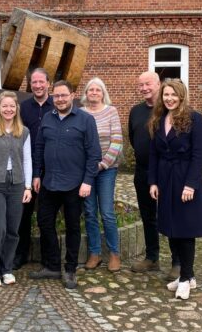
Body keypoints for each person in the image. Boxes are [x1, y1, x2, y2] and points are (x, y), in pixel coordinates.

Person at [30, 80, 101, 290]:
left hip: (74, 184)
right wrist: (36, 174)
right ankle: (52, 265)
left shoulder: (86, 120)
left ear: (72, 95)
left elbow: (94, 154)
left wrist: (87, 181)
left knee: (72, 227)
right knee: (44, 222)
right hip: (49, 182)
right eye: (56, 96)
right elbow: (39, 148)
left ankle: (70, 269)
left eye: (64, 95)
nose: (60, 99)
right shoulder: (47, 119)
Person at [148, 79, 202, 300]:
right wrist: (153, 181)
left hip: (185, 180)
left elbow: (199, 155)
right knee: (171, 228)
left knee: (185, 230)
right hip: (165, 180)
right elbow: (154, 154)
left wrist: (191, 184)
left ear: (182, 96)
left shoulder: (195, 119)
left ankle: (184, 278)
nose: (169, 99)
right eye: (166, 95)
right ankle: (189, 276)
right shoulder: (158, 119)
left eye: (174, 95)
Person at [0, 91, 32, 288]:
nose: (8, 109)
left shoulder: (23, 131)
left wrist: (27, 187)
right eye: (5, 106)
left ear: (16, 108)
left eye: (12, 106)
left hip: (17, 185)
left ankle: (6, 268)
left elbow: (27, 160)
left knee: (12, 230)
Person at [128, 71, 174, 277]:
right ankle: (152, 257)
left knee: (171, 215)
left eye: (148, 84)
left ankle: (177, 261)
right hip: (143, 171)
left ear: (159, 84)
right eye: (141, 85)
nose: (144, 88)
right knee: (148, 216)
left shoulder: (168, 110)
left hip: (166, 172)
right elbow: (133, 138)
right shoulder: (135, 111)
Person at [80, 77, 123, 272]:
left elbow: (117, 141)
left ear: (103, 93)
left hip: (107, 169)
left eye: (98, 90)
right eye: (91, 90)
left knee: (106, 212)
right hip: (87, 171)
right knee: (90, 212)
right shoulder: (81, 113)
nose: (94, 93)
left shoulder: (111, 111)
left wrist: (103, 164)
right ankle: (95, 253)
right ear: (86, 94)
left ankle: (114, 254)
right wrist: (88, 167)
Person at [14, 68, 54, 269]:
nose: (38, 86)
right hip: (27, 167)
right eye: (34, 82)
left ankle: (48, 258)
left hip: (51, 168)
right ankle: (20, 254)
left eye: (41, 82)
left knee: (46, 215)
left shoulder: (56, 105)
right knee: (23, 214)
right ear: (30, 85)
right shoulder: (23, 108)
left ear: (48, 84)